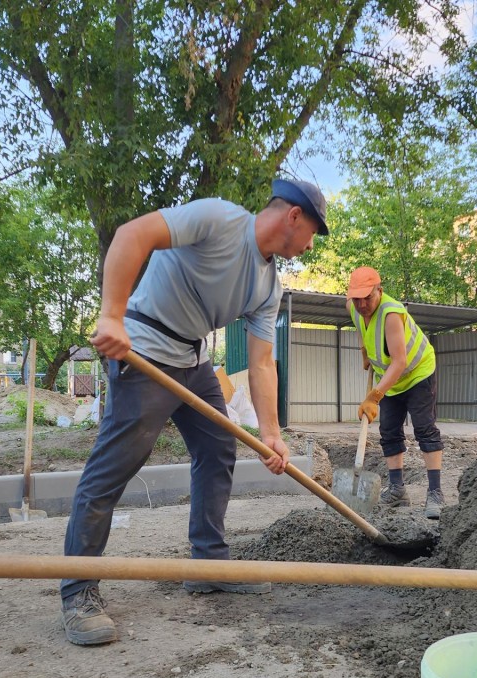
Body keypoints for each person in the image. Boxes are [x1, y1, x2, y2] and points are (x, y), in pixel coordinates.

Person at [60, 178, 329, 646]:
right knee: (115, 467)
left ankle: (207, 562)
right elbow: (132, 235)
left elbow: (263, 362)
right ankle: (79, 589)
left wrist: (270, 433)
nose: (309, 246)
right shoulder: (218, 219)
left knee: (217, 447)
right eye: (313, 234)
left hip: (194, 360)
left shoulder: (269, 287)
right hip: (143, 348)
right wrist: (111, 316)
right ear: (294, 216)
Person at [346, 267, 445, 520]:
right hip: (390, 378)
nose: (362, 304)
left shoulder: (391, 313)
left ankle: (435, 493)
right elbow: (361, 326)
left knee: (424, 428)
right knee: (389, 430)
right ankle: (398, 490)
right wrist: (364, 350)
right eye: (357, 298)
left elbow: (399, 362)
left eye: (367, 298)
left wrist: (374, 396)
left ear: (379, 290)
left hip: (417, 372)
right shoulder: (353, 306)